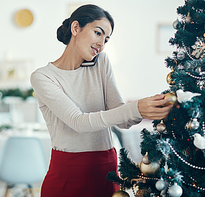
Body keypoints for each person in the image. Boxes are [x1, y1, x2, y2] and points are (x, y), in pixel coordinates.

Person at [30, 4, 173, 197]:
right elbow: (78, 121)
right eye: (98, 33)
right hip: (66, 172)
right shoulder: (43, 76)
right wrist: (135, 108)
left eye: (106, 39)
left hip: (105, 169)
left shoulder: (101, 63)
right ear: (75, 28)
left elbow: (123, 120)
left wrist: (147, 108)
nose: (102, 43)